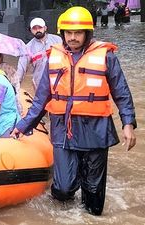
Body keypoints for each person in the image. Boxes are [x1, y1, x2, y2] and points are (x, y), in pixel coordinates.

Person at [11, 7, 136, 216]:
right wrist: (22, 127)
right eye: (68, 33)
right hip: (64, 128)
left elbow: (121, 92)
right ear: (62, 34)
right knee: (63, 188)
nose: (73, 37)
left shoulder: (107, 56)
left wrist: (128, 123)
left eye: (78, 32)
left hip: (96, 129)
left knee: (94, 198)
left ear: (88, 33)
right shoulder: (53, 57)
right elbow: (42, 99)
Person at [15, 17, 62, 92]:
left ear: (45, 28)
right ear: (31, 30)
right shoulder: (28, 48)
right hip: (40, 85)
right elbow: (21, 69)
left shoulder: (57, 40)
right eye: (34, 28)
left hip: (60, 82)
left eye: (40, 27)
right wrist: (15, 88)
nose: (37, 30)